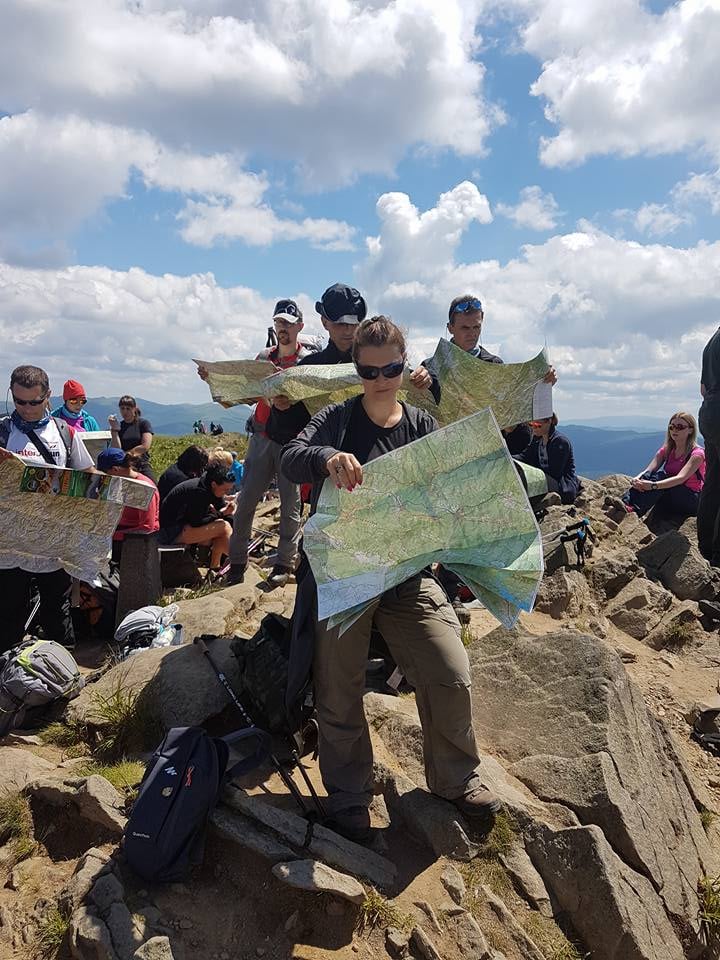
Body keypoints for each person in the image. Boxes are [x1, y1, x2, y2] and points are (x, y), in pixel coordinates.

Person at [281, 316, 500, 843]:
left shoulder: (420, 425)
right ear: (356, 369)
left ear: (405, 365)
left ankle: (455, 779)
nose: (381, 379)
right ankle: (349, 796)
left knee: (450, 668)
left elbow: (450, 484)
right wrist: (327, 457)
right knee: (339, 685)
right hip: (345, 576)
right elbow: (291, 458)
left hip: (406, 574)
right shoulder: (338, 419)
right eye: (369, 370)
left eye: (392, 369)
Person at [220, 299, 320, 588]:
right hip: (262, 436)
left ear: (300, 326)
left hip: (292, 441)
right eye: (279, 323)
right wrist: (217, 382)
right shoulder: (264, 357)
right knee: (247, 501)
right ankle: (237, 564)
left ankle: (284, 564)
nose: (283, 328)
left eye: (288, 323)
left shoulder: (307, 362)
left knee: (290, 505)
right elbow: (247, 393)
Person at [0, 365, 95, 652]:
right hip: (9, 542)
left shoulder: (64, 432)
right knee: (9, 612)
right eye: (20, 401)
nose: (27, 409)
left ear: (48, 396)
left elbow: (88, 476)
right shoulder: (3, 431)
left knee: (57, 609)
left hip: (54, 540)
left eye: (35, 402)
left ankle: (62, 668)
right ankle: (8, 669)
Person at [622, 412, 705, 519]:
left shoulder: (697, 454)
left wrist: (653, 485)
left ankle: (634, 510)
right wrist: (637, 479)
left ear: (690, 430)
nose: (675, 430)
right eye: (672, 426)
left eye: (680, 427)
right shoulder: (667, 450)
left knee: (661, 476)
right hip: (670, 494)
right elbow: (650, 469)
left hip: (690, 499)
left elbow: (681, 478)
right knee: (649, 476)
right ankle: (625, 503)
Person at [159, 463, 236, 576]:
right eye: (225, 490)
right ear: (214, 484)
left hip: (184, 525)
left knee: (223, 527)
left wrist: (229, 516)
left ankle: (215, 569)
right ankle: (237, 560)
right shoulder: (199, 491)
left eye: (229, 489)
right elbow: (196, 522)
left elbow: (221, 507)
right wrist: (221, 513)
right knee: (223, 527)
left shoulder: (210, 486)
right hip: (170, 532)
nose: (227, 493)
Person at [97, 448, 159, 560]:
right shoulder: (120, 483)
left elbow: (147, 527)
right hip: (118, 531)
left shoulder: (144, 487)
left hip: (136, 539)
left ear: (115, 470)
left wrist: (112, 535)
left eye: (106, 474)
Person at [515, 414, 580, 504]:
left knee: (524, 477)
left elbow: (555, 472)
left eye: (538, 425)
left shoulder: (560, 441)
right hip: (548, 480)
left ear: (549, 422)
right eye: (531, 425)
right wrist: (509, 458)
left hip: (562, 486)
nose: (534, 428)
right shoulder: (537, 439)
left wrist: (531, 472)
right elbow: (524, 457)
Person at [699, 327, 720, 566]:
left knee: (713, 480)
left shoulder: (711, 342)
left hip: (709, 411)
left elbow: (703, 389)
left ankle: (706, 548)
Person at [108, 396, 154, 480]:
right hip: (124, 467)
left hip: (141, 464)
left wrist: (126, 455)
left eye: (128, 409)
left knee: (152, 485)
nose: (125, 411)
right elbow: (116, 449)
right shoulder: (119, 426)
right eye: (122, 408)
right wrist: (114, 430)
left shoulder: (143, 424)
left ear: (134, 409)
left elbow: (145, 446)